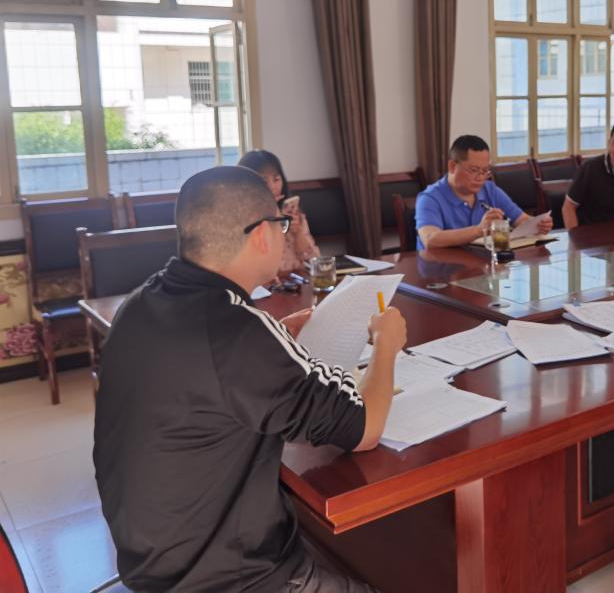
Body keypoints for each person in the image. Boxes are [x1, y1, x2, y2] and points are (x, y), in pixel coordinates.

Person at [94, 166, 406, 591]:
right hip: (229, 577)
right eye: (281, 224)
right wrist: (386, 343)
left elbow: (209, 372)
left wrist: (275, 338)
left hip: (152, 558)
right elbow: (365, 428)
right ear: (261, 234)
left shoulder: (141, 302)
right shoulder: (236, 330)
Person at [415, 135, 553, 250]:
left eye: (485, 171)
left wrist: (538, 225)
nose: (480, 177)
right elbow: (430, 239)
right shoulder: (430, 198)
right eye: (474, 170)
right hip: (441, 270)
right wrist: (480, 229)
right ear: (452, 166)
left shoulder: (490, 190)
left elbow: (521, 220)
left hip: (480, 265)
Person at [238, 149, 320, 276]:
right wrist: (272, 217)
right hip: (265, 284)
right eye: (264, 181)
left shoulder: (294, 214)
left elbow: (315, 260)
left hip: (297, 281)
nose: (272, 187)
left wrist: (298, 232)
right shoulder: (242, 219)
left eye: (276, 179)